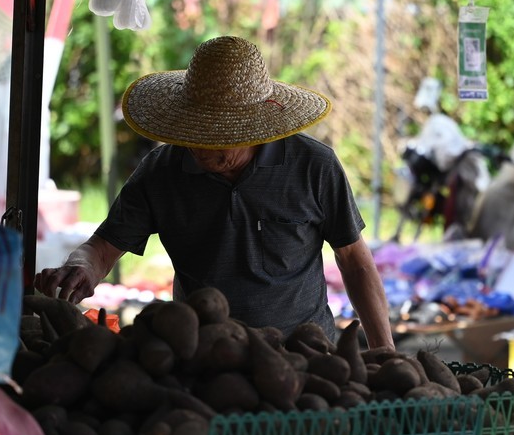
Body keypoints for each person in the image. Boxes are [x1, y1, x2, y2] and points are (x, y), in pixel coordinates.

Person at [35, 35, 395, 350]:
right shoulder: (161, 171)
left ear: (255, 129)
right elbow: (101, 248)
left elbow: (355, 261)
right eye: (196, 132)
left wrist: (384, 351)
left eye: (218, 136)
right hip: (203, 358)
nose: (201, 147)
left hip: (305, 356)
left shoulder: (314, 166)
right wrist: (80, 268)